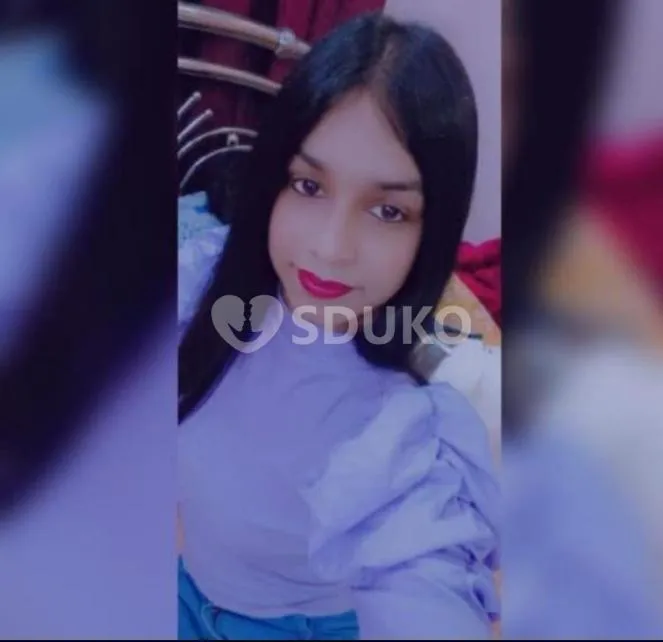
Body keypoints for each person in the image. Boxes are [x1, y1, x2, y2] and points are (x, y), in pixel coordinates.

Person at [178, 11, 499, 641]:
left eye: (388, 211)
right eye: (307, 184)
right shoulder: (205, 289)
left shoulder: (415, 419)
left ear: (432, 228)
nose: (330, 247)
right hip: (183, 594)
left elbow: (423, 578)